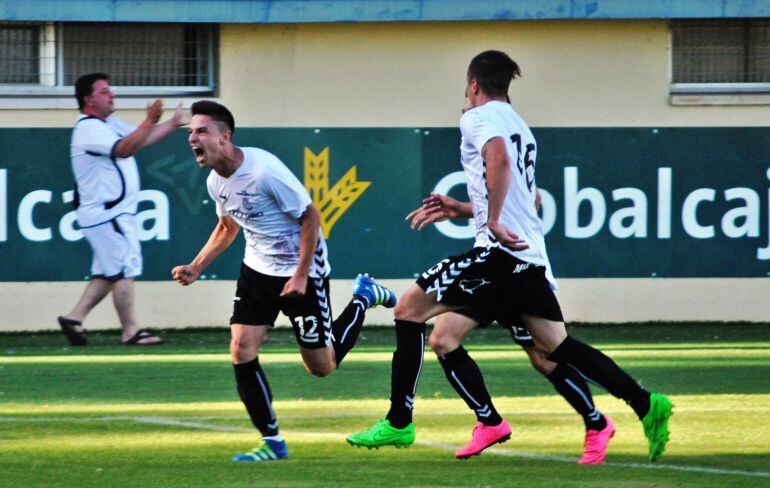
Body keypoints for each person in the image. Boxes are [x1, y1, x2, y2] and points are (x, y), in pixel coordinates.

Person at [347, 50, 672, 464]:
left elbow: (497, 159)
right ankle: (644, 403)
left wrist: (493, 221)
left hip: (498, 254)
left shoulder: (476, 118)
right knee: (547, 347)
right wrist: (464, 209)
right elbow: (525, 193)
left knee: (408, 309)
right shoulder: (520, 125)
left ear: (474, 85)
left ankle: (399, 420)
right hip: (527, 257)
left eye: (467, 89)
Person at [171, 100, 397, 462]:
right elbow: (228, 227)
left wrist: (301, 275)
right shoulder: (216, 181)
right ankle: (273, 442)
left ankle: (363, 298)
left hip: (302, 271)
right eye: (190, 133)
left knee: (321, 367)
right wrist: (197, 266)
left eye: (200, 131)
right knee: (241, 349)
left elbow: (311, 218)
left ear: (224, 137)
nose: (192, 139)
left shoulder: (264, 171)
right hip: (258, 270)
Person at [406, 191, 613, 464]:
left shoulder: (497, 151)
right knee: (443, 339)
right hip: (485, 272)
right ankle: (489, 421)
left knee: (545, 357)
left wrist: (493, 220)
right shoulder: (479, 156)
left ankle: (597, 422)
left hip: (517, 272)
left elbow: (532, 199)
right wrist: (465, 209)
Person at [58, 73, 189, 347]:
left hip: (110, 213)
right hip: (107, 214)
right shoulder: (89, 128)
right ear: (88, 99)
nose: (111, 95)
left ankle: (74, 318)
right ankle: (130, 330)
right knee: (124, 269)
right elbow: (126, 149)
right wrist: (150, 119)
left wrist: (173, 123)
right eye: (104, 91)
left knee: (109, 272)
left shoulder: (108, 123)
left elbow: (142, 139)